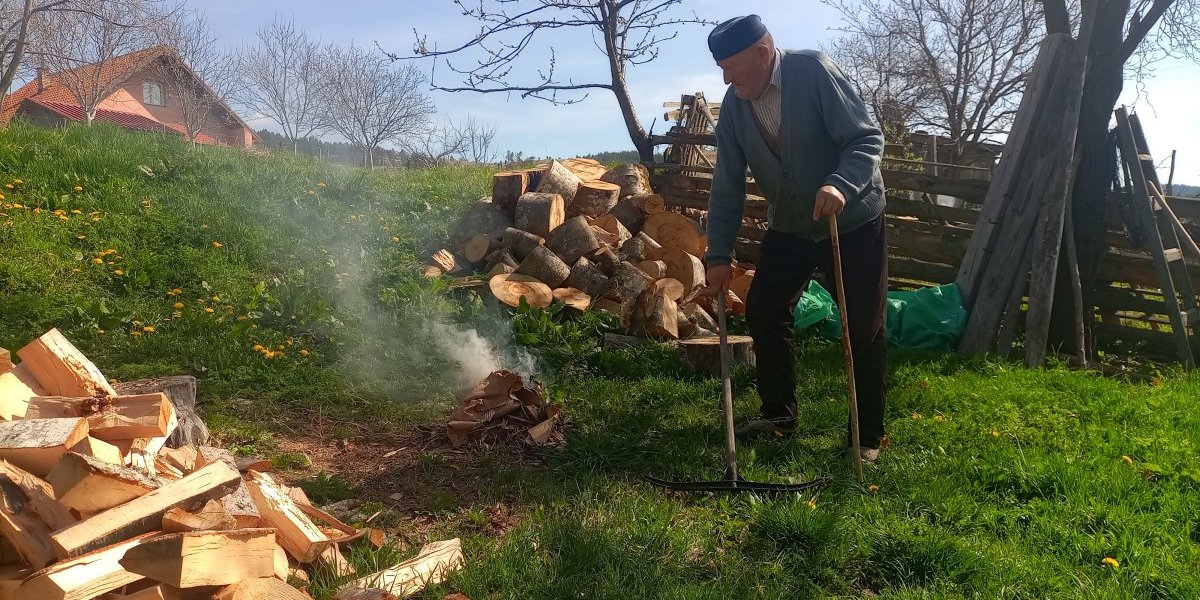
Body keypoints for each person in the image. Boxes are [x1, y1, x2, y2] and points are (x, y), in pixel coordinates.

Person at [703, 14, 889, 462]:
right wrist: (719, 253)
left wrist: (840, 184)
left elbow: (865, 139)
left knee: (862, 324)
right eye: (721, 69)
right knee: (765, 309)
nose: (726, 79)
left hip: (851, 222)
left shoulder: (814, 71)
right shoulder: (734, 105)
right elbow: (726, 184)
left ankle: (866, 438)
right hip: (789, 226)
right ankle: (778, 415)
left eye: (732, 67)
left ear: (763, 53)